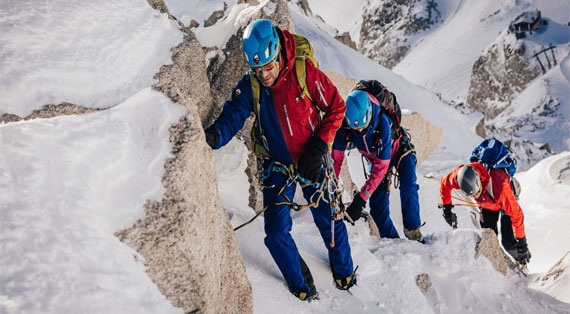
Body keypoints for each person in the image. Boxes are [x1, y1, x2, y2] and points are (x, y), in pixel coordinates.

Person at [203, 19, 355, 301]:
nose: (264, 75)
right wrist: (214, 135)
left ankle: (345, 271)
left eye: (268, 67)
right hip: (276, 164)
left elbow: (336, 107)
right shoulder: (253, 84)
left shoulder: (303, 72)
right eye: (257, 69)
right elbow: (234, 113)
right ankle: (302, 287)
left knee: (330, 219)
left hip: (310, 157)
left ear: (278, 53)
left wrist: (319, 146)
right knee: (275, 233)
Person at [331, 80, 423, 241]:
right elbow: (335, 161)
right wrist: (331, 190)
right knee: (378, 210)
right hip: (375, 160)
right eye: (356, 129)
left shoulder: (383, 123)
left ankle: (414, 235)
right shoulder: (345, 126)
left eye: (362, 127)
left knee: (408, 188)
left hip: (399, 151)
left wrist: (360, 199)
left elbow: (381, 167)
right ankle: (395, 242)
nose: (359, 131)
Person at [439, 163, 532, 265]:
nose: (474, 196)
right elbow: (444, 183)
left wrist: (522, 243)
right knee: (488, 237)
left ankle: (521, 262)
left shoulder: (501, 186)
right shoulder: (459, 177)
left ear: (480, 182)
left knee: (508, 243)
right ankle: (494, 265)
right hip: (487, 203)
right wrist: (447, 209)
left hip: (501, 202)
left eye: (476, 193)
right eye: (472, 195)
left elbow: (517, 215)